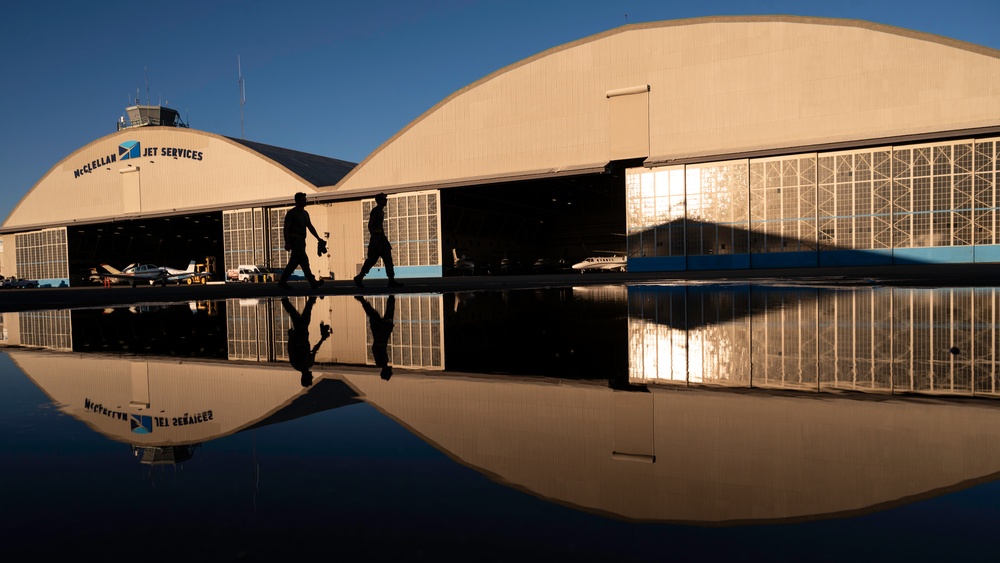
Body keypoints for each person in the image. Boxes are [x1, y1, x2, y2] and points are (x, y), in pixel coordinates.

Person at [279, 192, 327, 291]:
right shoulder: (292, 213)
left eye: (305, 199)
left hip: (301, 241)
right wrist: (287, 242)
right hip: (295, 240)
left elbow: (310, 226)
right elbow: (286, 228)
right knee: (303, 261)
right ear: (297, 201)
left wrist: (318, 238)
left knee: (296, 263)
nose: (305, 201)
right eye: (302, 200)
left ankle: (282, 282)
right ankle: (312, 281)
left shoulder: (305, 214)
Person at [354, 193, 402, 288]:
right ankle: (359, 277)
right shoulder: (375, 211)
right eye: (384, 199)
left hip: (381, 238)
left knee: (388, 259)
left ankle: (391, 280)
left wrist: (384, 239)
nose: (386, 201)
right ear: (379, 201)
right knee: (372, 260)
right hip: (376, 238)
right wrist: (375, 238)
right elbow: (370, 225)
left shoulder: (381, 212)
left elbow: (380, 227)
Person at [282, 296, 332, 387]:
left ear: (305, 377)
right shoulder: (304, 364)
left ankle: (312, 297)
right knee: (297, 315)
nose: (312, 376)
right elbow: (314, 350)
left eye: (310, 378)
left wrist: (290, 337)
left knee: (302, 316)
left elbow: (291, 351)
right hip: (302, 334)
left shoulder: (300, 364)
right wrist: (321, 339)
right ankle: (286, 300)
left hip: (300, 335)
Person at [355, 294, 396, 380]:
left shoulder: (380, 362)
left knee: (375, 314)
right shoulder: (384, 361)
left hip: (380, 332)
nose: (391, 371)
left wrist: (380, 333)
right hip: (383, 332)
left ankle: (362, 300)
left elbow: (375, 348)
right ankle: (391, 296)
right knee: (383, 313)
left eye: (390, 373)